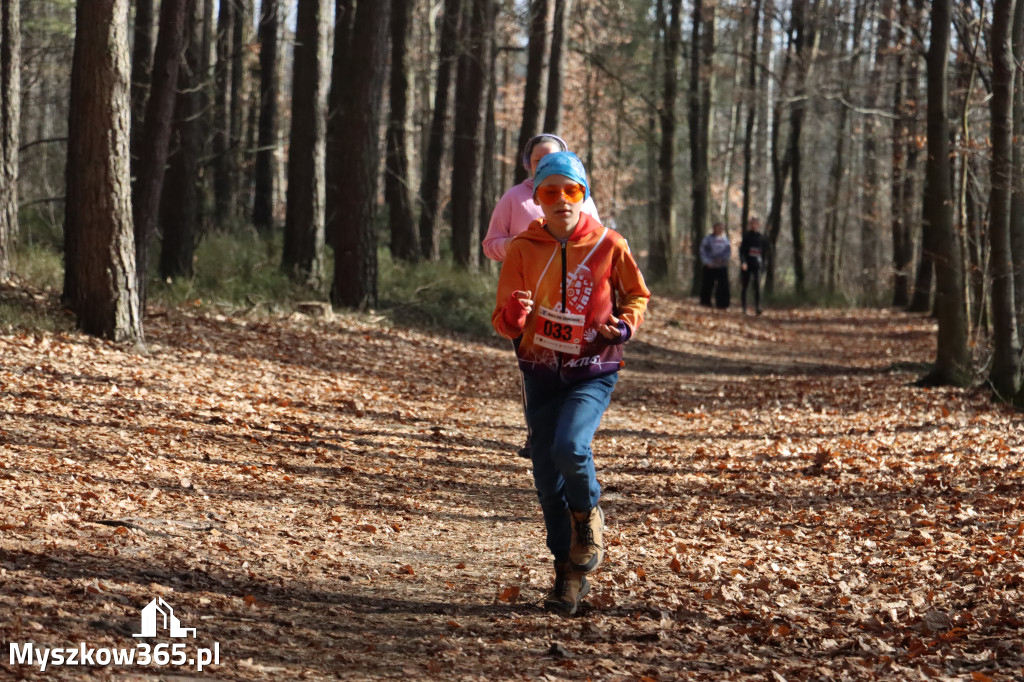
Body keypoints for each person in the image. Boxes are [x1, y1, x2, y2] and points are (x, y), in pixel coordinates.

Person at [492, 152, 650, 615]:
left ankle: (587, 516)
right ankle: (567, 574)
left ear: (583, 195)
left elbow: (636, 294)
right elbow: (502, 320)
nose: (562, 200)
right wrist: (515, 317)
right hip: (538, 374)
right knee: (546, 479)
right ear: (537, 199)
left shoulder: (608, 244)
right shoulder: (522, 248)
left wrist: (622, 327)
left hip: (591, 370)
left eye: (571, 191)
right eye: (550, 192)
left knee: (571, 447)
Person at [484, 134, 601, 459]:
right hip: (528, 303)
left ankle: (569, 434)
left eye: (553, 158)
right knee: (534, 370)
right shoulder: (514, 198)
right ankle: (537, 435)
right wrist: (516, 247)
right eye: (538, 161)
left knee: (572, 367)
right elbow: (490, 244)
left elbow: (600, 246)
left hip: (573, 302)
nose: (545, 165)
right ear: (528, 164)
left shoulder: (582, 198)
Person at [699, 221, 731, 309]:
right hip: (710, 265)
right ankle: (705, 302)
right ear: (714, 228)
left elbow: (728, 251)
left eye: (722, 228)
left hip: (721, 265)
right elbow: (703, 251)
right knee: (707, 284)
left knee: (723, 285)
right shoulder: (708, 239)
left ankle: (722, 304)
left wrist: (723, 260)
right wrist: (707, 262)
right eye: (719, 228)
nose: (720, 229)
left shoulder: (725, 239)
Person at [740, 216, 766, 315]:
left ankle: (757, 307)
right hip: (747, 264)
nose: (754, 225)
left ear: (758, 225)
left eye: (755, 223)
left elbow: (763, 253)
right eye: (752, 223)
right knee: (745, 286)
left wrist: (763, 264)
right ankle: (744, 308)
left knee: (757, 286)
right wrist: (743, 262)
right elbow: (742, 251)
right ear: (750, 225)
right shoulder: (746, 236)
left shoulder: (761, 237)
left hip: (757, 265)